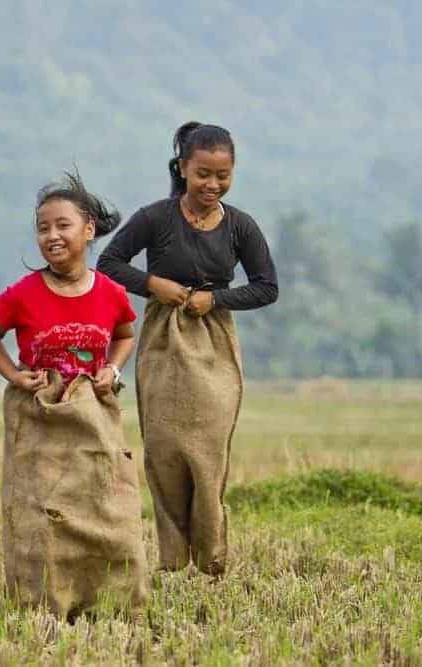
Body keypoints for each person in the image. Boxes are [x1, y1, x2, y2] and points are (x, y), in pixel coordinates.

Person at [97, 122, 277, 577]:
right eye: (203, 174)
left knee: (208, 452)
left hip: (215, 341)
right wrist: (153, 284)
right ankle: (173, 560)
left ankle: (212, 557)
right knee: (164, 449)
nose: (213, 185)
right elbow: (109, 263)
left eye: (223, 175)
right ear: (183, 168)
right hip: (162, 339)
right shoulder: (155, 217)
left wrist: (214, 299)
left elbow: (266, 287)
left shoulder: (240, 226)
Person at [0, 172, 148, 620]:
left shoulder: (110, 292)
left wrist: (112, 368)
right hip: (40, 416)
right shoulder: (22, 295)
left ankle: (110, 602)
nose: (52, 235)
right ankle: (43, 608)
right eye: (43, 227)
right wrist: (14, 375)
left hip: (93, 412)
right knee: (40, 514)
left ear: (88, 230)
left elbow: (126, 334)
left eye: (62, 225)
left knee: (107, 506)